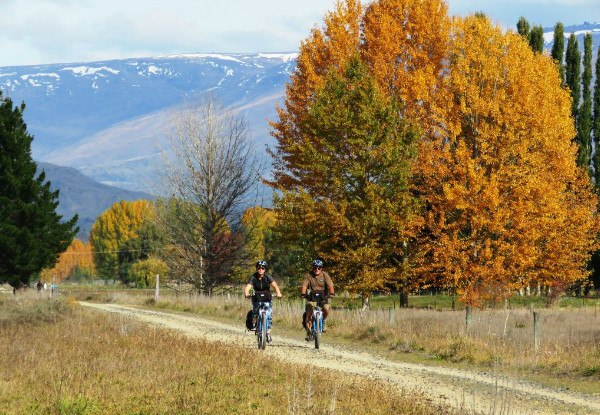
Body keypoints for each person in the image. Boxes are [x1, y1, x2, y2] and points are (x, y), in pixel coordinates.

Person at [244, 260, 282, 344]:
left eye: (262, 268)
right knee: (255, 312)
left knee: (269, 316)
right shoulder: (253, 277)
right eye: (259, 268)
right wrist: (247, 293)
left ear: (265, 269)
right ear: (256, 269)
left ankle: (268, 333)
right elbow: (248, 287)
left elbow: (275, 286)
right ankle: (254, 323)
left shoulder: (268, 277)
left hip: (266, 298)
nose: (260, 270)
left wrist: (278, 293)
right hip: (256, 298)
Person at [301, 259, 334, 340]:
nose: (317, 269)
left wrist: (332, 293)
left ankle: (323, 320)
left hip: (323, 297)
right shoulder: (308, 275)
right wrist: (303, 293)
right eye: (315, 268)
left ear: (321, 268)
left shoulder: (325, 275)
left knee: (326, 309)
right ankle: (309, 331)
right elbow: (304, 286)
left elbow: (330, 286)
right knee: (309, 313)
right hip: (312, 298)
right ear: (313, 268)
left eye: (319, 268)